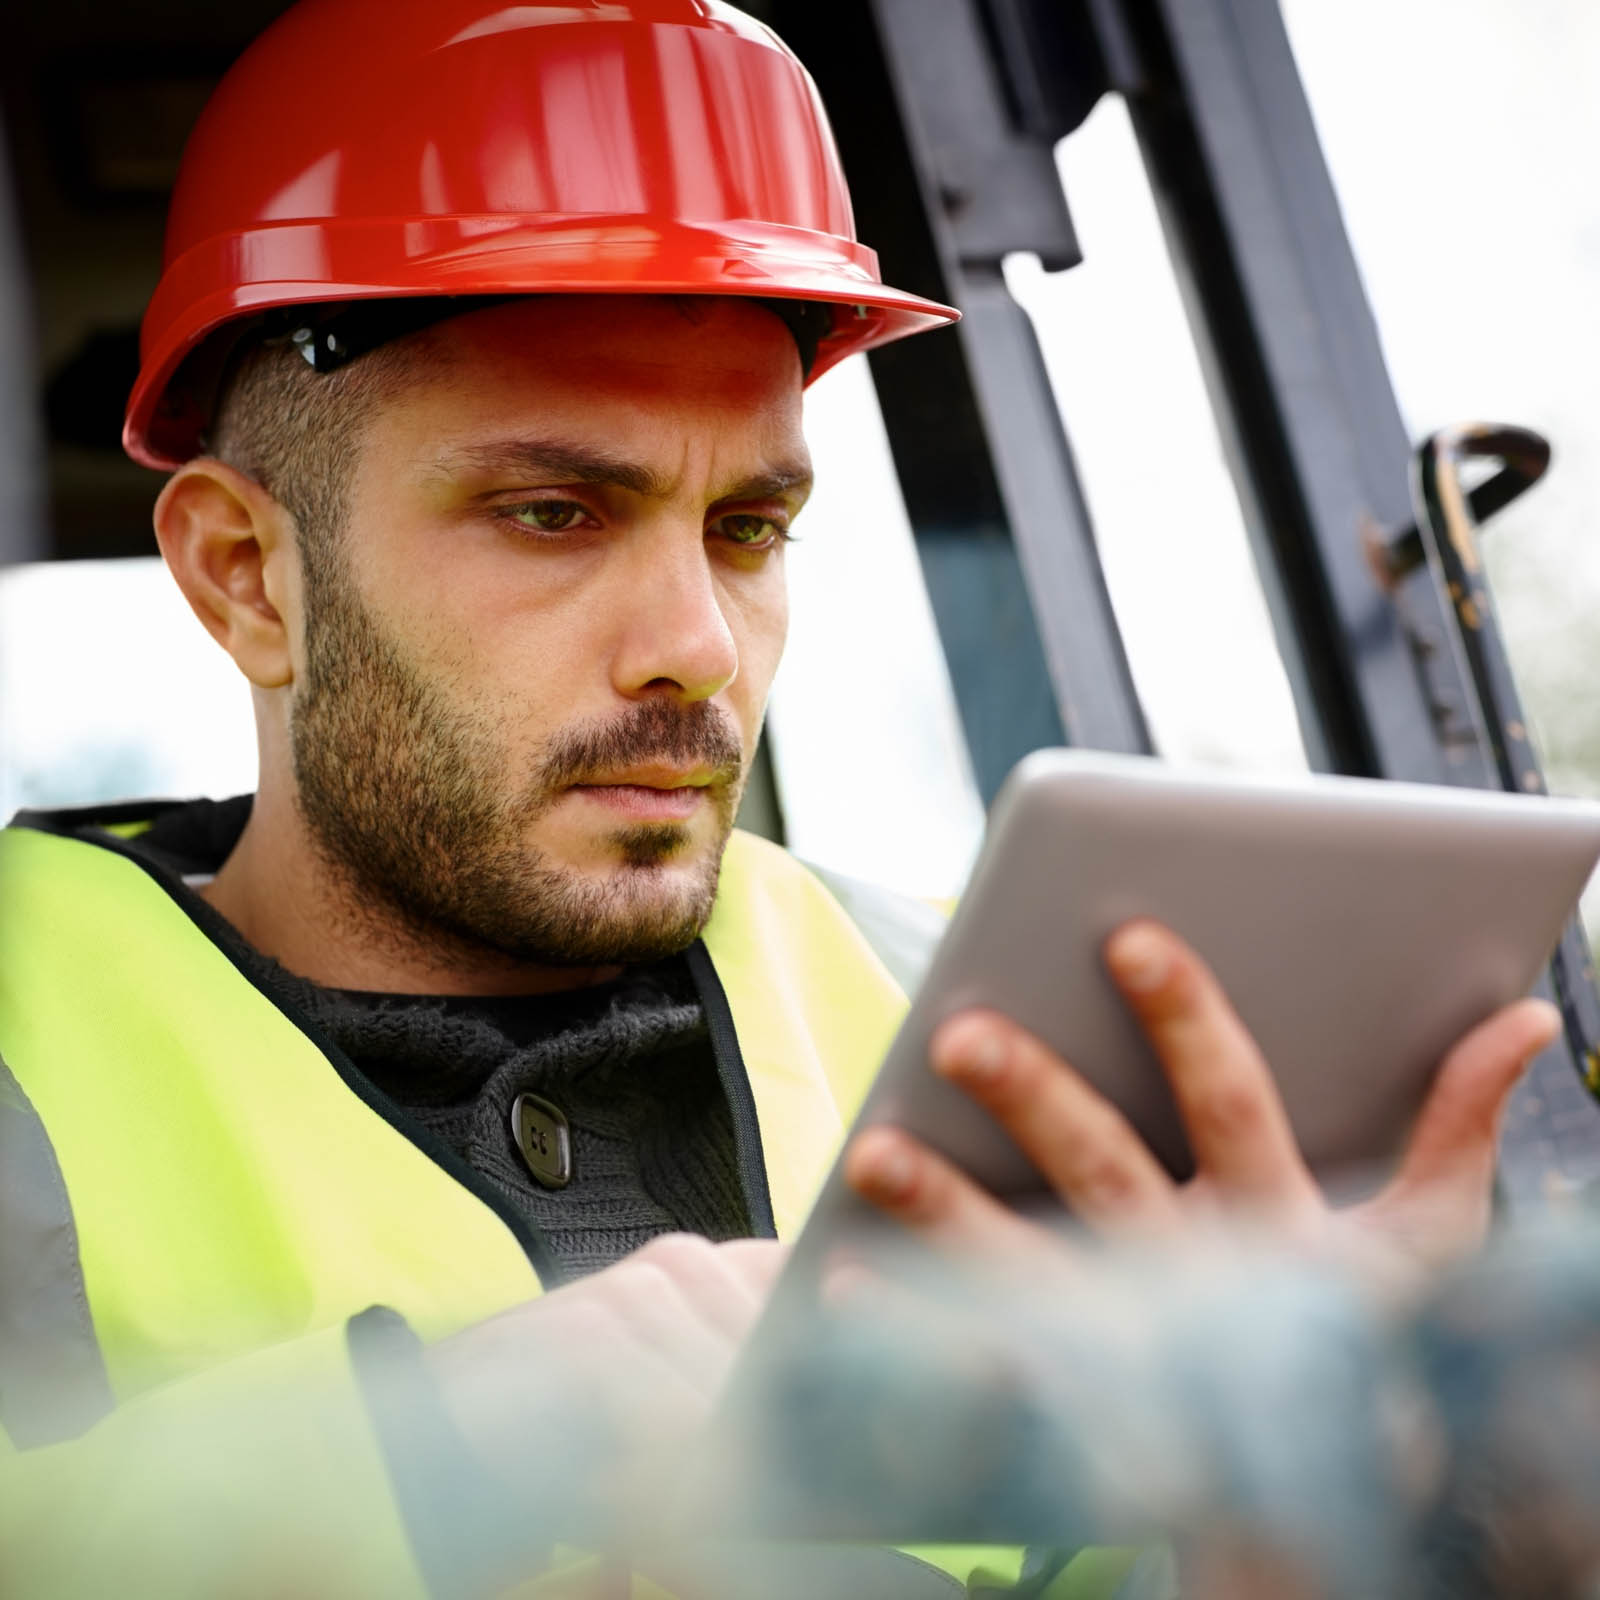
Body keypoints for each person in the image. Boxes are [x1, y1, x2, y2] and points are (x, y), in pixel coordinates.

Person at [0, 1, 1560, 1595]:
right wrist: (439, 1448)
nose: (696, 649)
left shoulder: (981, 1017)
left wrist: (1323, 1500)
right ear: (248, 576)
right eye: (552, 514)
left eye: (747, 529)